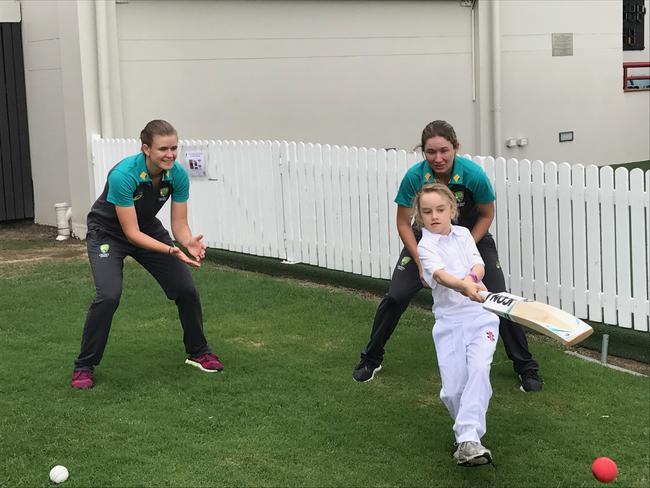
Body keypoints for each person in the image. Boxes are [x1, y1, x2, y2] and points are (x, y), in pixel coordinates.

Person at [353, 120, 542, 392]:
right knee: (396, 295)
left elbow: (487, 215)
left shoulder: (473, 175)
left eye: (444, 150)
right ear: (423, 152)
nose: (438, 158)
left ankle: (526, 368)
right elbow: (404, 223)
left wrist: (465, 247)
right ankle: (371, 358)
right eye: (431, 152)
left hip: (470, 238)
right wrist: (421, 262)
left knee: (497, 296)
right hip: (426, 242)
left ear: (456, 147)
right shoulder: (415, 177)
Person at [70, 120, 223, 389]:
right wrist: (171, 250)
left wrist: (188, 242)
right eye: (163, 148)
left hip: (147, 228)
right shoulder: (123, 174)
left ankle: (198, 352)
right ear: (146, 149)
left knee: (186, 289)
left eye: (174, 148)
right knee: (108, 296)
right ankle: (84, 366)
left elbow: (179, 224)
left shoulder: (177, 175)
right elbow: (131, 234)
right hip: (108, 232)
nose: (171, 154)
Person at [416, 183, 497, 466]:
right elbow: (440, 276)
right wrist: (464, 286)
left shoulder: (463, 234)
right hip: (449, 322)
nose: (434, 216)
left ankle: (467, 441)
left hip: (481, 316)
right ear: (421, 216)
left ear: (452, 209)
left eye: (440, 209)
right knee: (452, 391)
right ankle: (467, 433)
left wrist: (473, 282)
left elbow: (479, 265)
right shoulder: (425, 246)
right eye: (427, 212)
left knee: (478, 370)